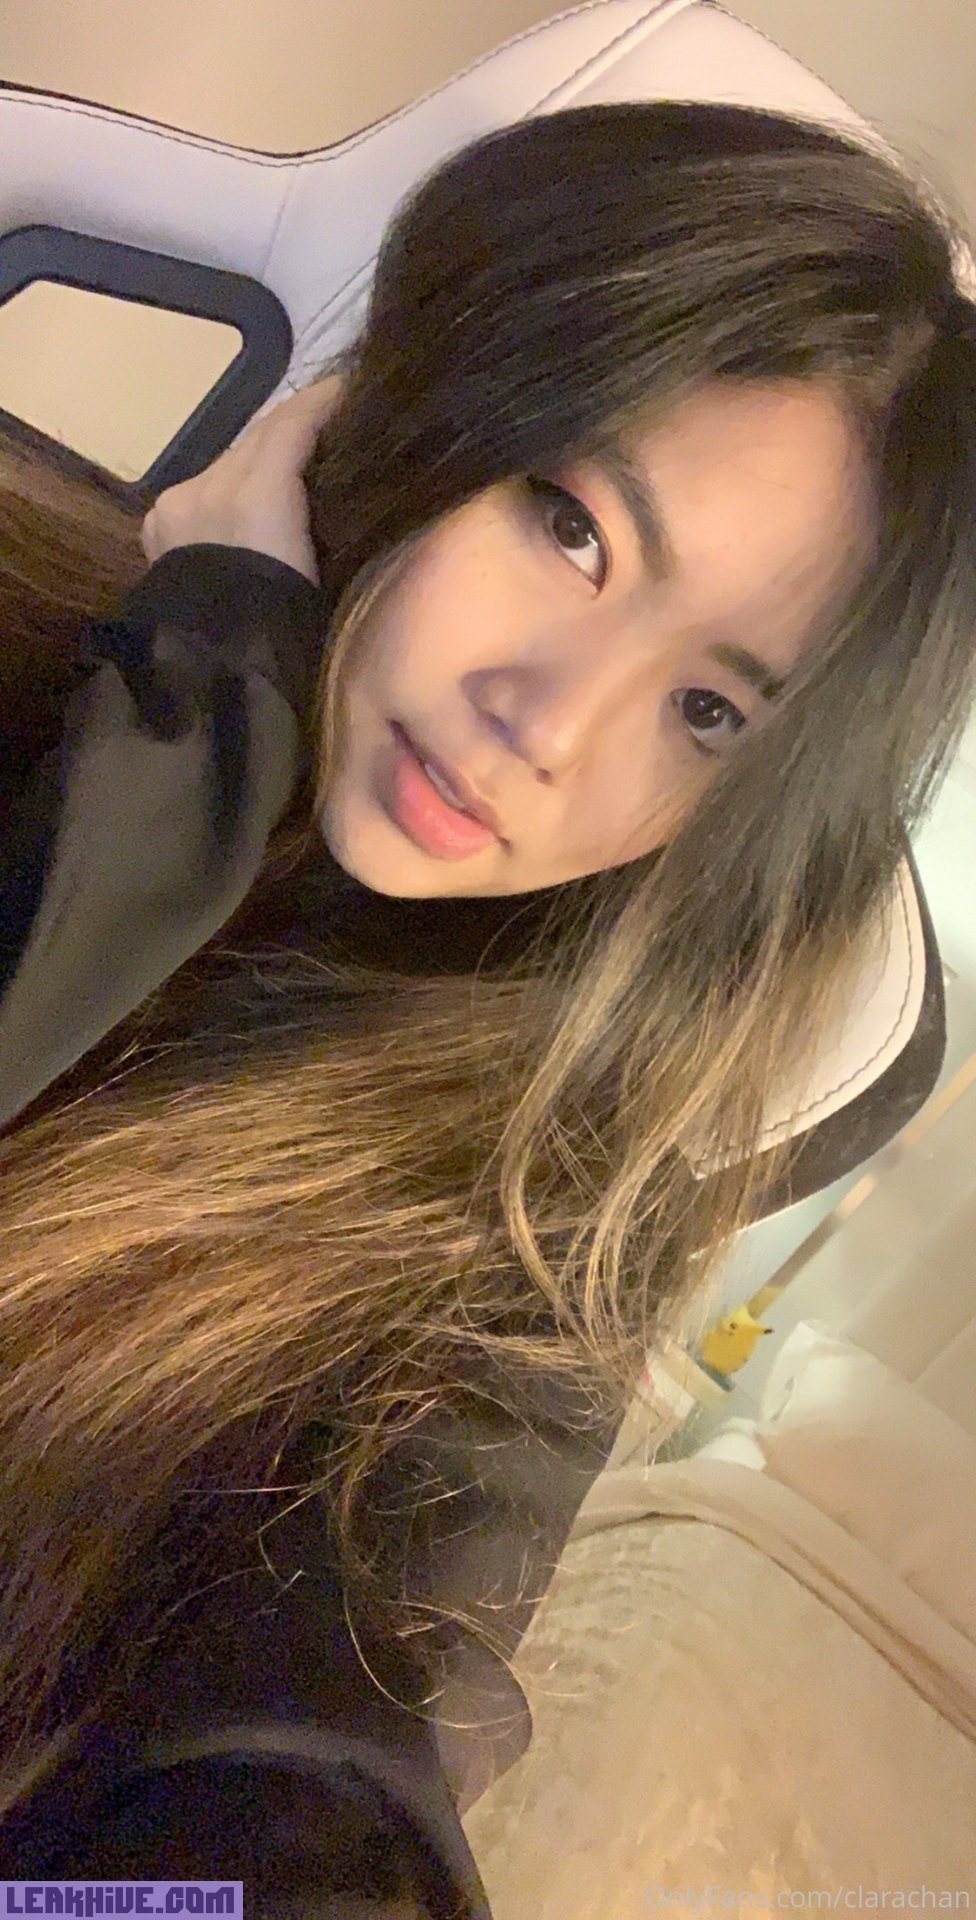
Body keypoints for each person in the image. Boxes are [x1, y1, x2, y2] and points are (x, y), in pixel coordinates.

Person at [0, 100, 974, 1905]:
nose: (553, 721)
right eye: (573, 528)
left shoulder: (517, 1225)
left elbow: (311, 1759)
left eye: (711, 712)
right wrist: (188, 736)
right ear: (419, 406)